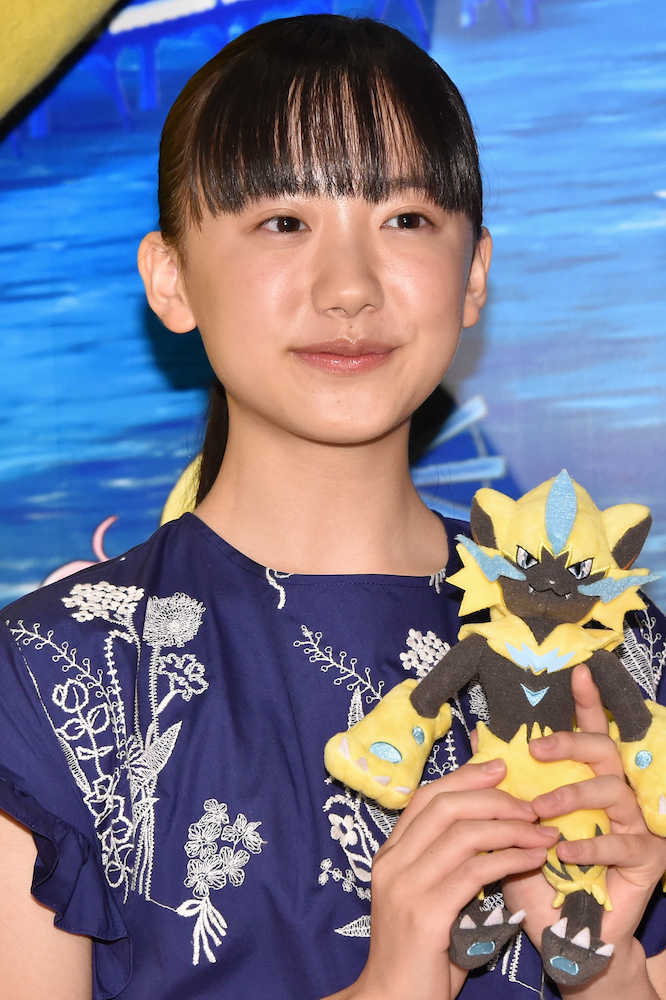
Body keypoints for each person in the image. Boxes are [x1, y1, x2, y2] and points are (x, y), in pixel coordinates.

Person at [1, 14, 665, 1000]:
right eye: (284, 222)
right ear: (171, 279)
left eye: (405, 220)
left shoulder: (615, 651)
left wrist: (601, 964)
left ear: (474, 273)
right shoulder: (54, 676)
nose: (349, 287)